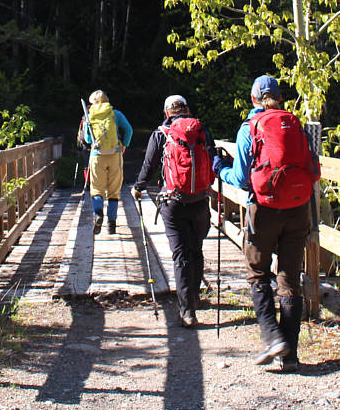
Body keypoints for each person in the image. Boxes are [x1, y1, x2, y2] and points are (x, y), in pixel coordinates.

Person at [212, 75, 316, 371]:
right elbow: (313, 167)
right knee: (289, 278)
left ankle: (272, 338)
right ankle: (291, 355)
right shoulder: (294, 124)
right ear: (280, 97)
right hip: (298, 208)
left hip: (265, 210)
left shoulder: (250, 128)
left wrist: (221, 169)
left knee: (257, 272)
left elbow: (242, 179)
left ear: (253, 99)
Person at [132, 95, 214, 328]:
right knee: (196, 249)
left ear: (167, 112)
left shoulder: (161, 134)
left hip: (173, 201)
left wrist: (138, 187)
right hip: (199, 200)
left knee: (181, 256)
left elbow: (149, 165)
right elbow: (213, 159)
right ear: (187, 110)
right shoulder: (201, 131)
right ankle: (195, 298)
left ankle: (187, 311)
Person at [81, 90, 132, 234]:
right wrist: (124, 145)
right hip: (115, 154)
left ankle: (98, 214)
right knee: (114, 190)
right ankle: (112, 224)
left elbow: (88, 139)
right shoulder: (116, 114)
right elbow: (129, 130)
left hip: (97, 155)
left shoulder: (89, 116)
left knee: (97, 188)